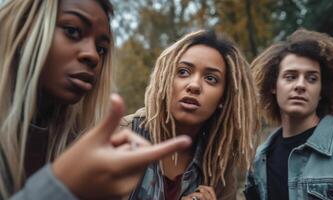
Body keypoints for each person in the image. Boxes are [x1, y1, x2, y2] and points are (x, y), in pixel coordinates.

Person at [0, 0, 192, 199]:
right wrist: (62, 184)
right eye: (72, 31)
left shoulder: (80, 140)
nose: (93, 56)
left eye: (101, 49)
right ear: (23, 29)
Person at [121, 30, 259, 200]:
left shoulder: (218, 164)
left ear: (224, 97)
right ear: (165, 80)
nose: (194, 85)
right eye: (183, 72)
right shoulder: (123, 136)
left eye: (211, 79)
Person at [245, 28, 333, 200]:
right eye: (290, 76)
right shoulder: (259, 161)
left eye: (312, 78)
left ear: (322, 90)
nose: (300, 85)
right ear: (273, 86)